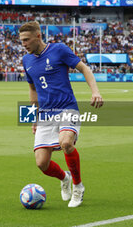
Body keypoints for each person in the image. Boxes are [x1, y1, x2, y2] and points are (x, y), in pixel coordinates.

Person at [19, 21, 103, 208]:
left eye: (27, 40)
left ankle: (78, 186)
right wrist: (33, 117)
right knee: (42, 163)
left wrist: (95, 91)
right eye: (21, 41)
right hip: (46, 115)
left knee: (66, 142)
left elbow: (84, 68)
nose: (24, 44)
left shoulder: (59, 50)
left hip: (67, 108)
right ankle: (65, 177)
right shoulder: (27, 61)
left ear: (38, 36)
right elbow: (33, 90)